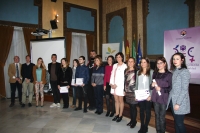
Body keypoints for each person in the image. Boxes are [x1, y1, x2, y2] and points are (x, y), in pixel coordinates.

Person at [166, 53, 190, 133]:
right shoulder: (175, 71)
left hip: (180, 102)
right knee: (176, 122)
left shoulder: (185, 72)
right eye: (173, 59)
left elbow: (184, 89)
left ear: (182, 60)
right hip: (173, 100)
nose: (175, 61)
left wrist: (178, 103)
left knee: (179, 123)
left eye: (177, 59)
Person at [151, 57, 172, 133]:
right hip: (155, 97)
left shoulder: (169, 74)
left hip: (163, 97)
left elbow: (170, 88)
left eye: (161, 63)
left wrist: (161, 89)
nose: (159, 65)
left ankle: (162, 131)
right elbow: (151, 86)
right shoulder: (155, 73)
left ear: (165, 63)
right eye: (157, 63)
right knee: (157, 115)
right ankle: (158, 131)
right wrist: (152, 85)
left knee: (162, 117)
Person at [135, 57, 153, 133]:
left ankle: (146, 126)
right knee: (141, 111)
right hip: (140, 95)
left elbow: (153, 85)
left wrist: (151, 95)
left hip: (148, 95)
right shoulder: (138, 72)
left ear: (148, 63)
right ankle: (142, 126)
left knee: (148, 111)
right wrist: (136, 95)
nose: (142, 64)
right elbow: (136, 84)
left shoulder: (151, 72)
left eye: (144, 62)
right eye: (141, 62)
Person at [110, 52, 127, 122]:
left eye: (119, 57)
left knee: (120, 100)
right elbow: (112, 74)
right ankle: (116, 114)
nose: (118, 58)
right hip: (113, 86)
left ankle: (120, 115)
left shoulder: (125, 66)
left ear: (122, 57)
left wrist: (116, 84)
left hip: (120, 86)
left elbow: (123, 77)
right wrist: (111, 84)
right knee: (116, 100)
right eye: (117, 57)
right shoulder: (114, 65)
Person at [124, 57, 138, 128]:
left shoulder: (137, 71)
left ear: (134, 62)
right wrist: (124, 90)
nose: (130, 63)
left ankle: (134, 121)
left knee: (133, 107)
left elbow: (138, 82)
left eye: (131, 61)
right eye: (129, 61)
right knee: (130, 106)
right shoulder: (125, 70)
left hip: (134, 91)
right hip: (127, 91)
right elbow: (125, 81)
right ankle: (132, 120)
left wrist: (137, 93)